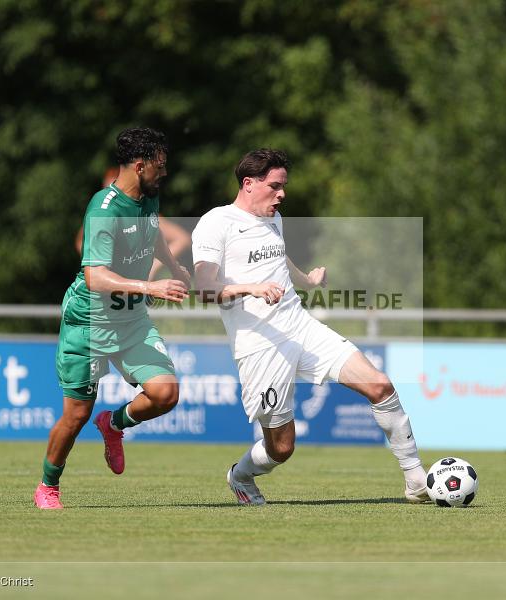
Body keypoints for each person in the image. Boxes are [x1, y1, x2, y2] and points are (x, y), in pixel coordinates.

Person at [191, 149, 428, 505]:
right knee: (282, 448)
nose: (282, 194)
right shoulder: (216, 223)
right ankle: (240, 475)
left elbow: (277, 256)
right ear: (249, 184)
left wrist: (307, 281)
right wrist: (250, 289)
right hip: (260, 345)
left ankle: (416, 481)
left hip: (301, 327)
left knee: (379, 385)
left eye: (284, 186)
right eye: (275, 186)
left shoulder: (274, 217)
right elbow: (204, 289)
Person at [35, 127, 191, 509]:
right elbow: (95, 276)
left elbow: (152, 234)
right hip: (90, 324)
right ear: (140, 166)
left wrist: (173, 265)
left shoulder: (149, 197)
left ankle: (114, 424)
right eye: (160, 166)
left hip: (130, 321)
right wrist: (151, 287)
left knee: (166, 393)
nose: (164, 172)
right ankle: (48, 485)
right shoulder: (104, 209)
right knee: (75, 416)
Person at [75, 167, 191, 282]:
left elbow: (182, 238)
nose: (110, 195)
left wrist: (156, 266)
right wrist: (99, 263)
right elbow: (80, 241)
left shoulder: (145, 213)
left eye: (115, 189)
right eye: (107, 190)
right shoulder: (102, 214)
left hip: (139, 284)